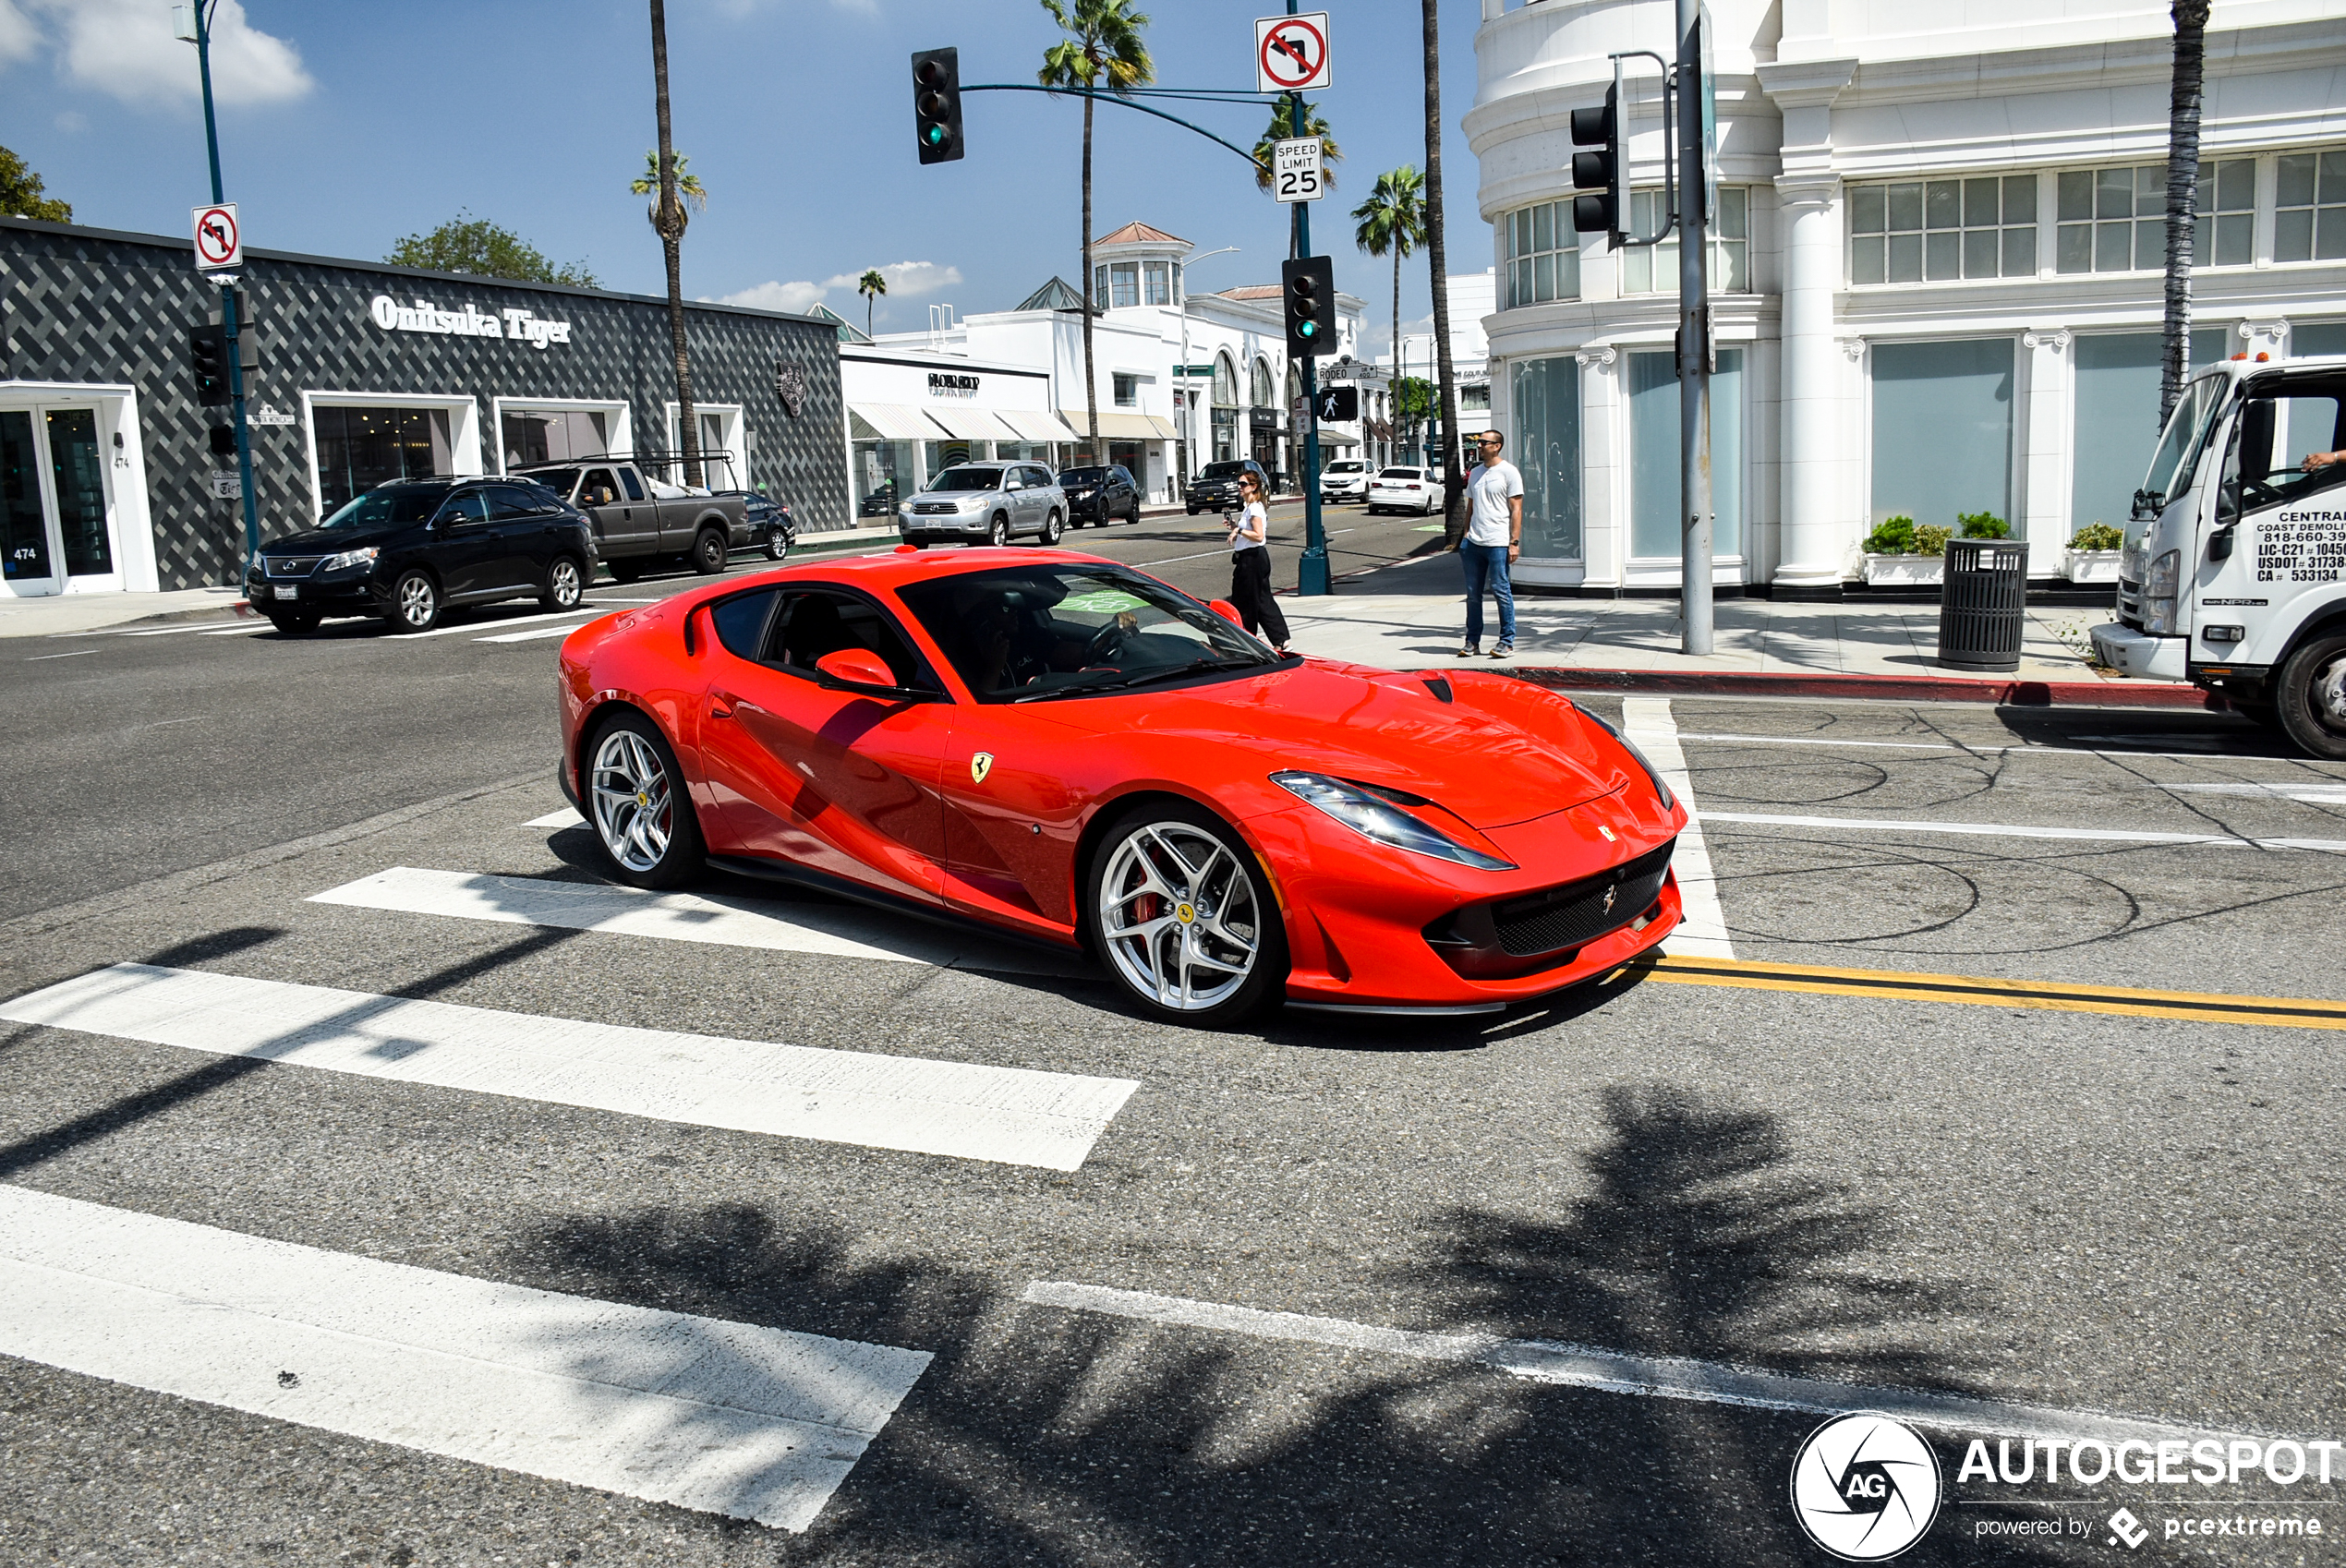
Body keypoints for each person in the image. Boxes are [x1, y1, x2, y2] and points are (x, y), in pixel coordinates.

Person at [1459, 430, 1523, 658]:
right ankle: (1472, 641)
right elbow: (1470, 506)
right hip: (1473, 543)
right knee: (1473, 595)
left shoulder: (1509, 472)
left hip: (1498, 542)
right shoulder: (1475, 473)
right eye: (1479, 443)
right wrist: (1465, 536)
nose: (1480, 446)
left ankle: (1507, 641)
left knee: (1501, 591)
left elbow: (1517, 509)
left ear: (1497, 446)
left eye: (1484, 443)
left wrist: (1513, 542)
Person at [1225, 471, 1290, 654]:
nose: (1240, 487)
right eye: (1239, 483)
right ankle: (1280, 639)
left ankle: (1248, 639)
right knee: (1259, 599)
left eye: (1243, 484)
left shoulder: (1254, 508)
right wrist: (1234, 527)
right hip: (1250, 558)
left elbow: (1259, 536)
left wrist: (1238, 531)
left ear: (1253, 487)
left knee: (1246, 601)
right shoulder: (1251, 506)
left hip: (1253, 559)